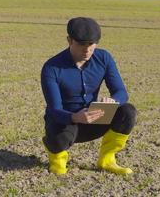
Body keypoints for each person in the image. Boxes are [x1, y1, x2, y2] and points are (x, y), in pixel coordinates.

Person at [41, 17, 137, 175]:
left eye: (91, 45)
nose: (87, 50)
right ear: (69, 40)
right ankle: (57, 163)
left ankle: (107, 160)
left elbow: (121, 92)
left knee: (128, 111)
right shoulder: (51, 67)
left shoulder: (104, 58)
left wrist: (113, 101)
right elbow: (54, 109)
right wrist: (75, 117)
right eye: (81, 44)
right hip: (65, 122)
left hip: (94, 118)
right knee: (56, 131)